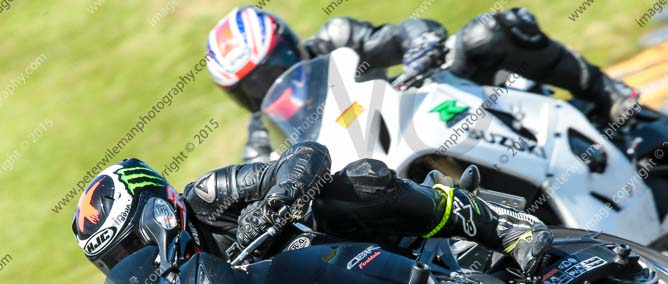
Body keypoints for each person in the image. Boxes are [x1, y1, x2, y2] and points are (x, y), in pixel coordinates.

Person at [206, 6, 640, 164]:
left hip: (434, 105)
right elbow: (258, 181)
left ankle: (603, 91)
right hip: (386, 173)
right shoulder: (263, 136)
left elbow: (394, 37)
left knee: (491, 32)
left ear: (288, 46)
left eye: (268, 70)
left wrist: (419, 45)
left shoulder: (337, 39)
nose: (266, 88)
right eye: (249, 88)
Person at [72, 142, 552, 276]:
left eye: (133, 242)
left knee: (357, 180)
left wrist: (279, 199)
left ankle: (499, 223)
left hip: (347, 250)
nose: (136, 259)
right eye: (116, 259)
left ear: (161, 211)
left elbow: (307, 154)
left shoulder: (207, 196)